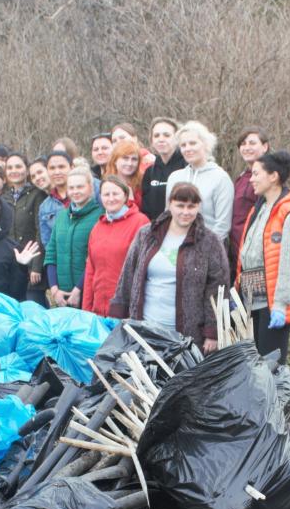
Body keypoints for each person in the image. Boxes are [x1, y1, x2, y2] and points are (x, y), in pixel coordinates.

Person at [109, 183, 229, 354]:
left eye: (191, 206)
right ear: (170, 204)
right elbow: (128, 274)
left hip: (185, 333)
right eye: (180, 205)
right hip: (145, 327)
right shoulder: (147, 234)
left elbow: (217, 288)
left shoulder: (209, 241)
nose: (186, 212)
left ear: (199, 207)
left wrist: (212, 332)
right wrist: (118, 314)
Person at [236, 150, 290, 364]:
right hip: (253, 302)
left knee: (273, 373)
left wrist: (281, 303)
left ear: (273, 176)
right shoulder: (258, 209)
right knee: (255, 370)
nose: (251, 179)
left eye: (256, 174)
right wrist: (239, 294)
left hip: (273, 306)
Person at [82, 176, 150, 316]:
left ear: (125, 195)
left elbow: (145, 270)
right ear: (100, 197)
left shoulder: (140, 223)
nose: (111, 198)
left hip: (126, 309)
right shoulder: (97, 228)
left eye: (116, 193)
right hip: (99, 309)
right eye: (106, 194)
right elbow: (90, 271)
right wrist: (86, 310)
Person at [165, 120, 235, 239]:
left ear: (206, 144)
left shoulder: (220, 178)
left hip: (208, 248)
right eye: (183, 145)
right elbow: (168, 215)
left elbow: (223, 225)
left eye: (193, 143)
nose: (187, 149)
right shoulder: (174, 177)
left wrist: (204, 249)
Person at [44, 167, 102, 308]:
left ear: (90, 187)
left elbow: (96, 260)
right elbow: (51, 254)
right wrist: (54, 290)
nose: (75, 191)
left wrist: (78, 290)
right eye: (71, 187)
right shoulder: (62, 216)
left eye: (80, 186)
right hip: (61, 297)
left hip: (87, 294)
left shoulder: (100, 216)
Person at [3, 152, 48, 306]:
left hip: (32, 266)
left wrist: (36, 266)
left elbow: (40, 232)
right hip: (12, 264)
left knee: (34, 306)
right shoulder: (4, 197)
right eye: (10, 167)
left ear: (26, 169)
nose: (14, 170)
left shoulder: (37, 194)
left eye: (18, 166)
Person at [228, 127, 270, 271]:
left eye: (252, 143)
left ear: (265, 147)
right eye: (243, 144)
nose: (247, 147)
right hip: (235, 250)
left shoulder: (270, 176)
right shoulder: (242, 177)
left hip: (255, 254)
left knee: (254, 293)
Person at [141, 117, 186, 220]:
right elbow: (146, 210)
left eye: (166, 135)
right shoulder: (150, 172)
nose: (161, 139)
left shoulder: (187, 167)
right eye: (156, 136)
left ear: (177, 139)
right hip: (156, 231)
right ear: (151, 141)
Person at [37, 150, 72, 248]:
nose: (57, 172)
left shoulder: (86, 195)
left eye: (61, 167)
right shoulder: (45, 207)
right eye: (52, 168)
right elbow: (47, 243)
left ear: (71, 167)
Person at [104, 140, 144, 207]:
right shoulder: (107, 184)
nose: (129, 163)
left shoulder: (143, 182)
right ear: (115, 160)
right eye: (125, 158)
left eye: (134, 159)